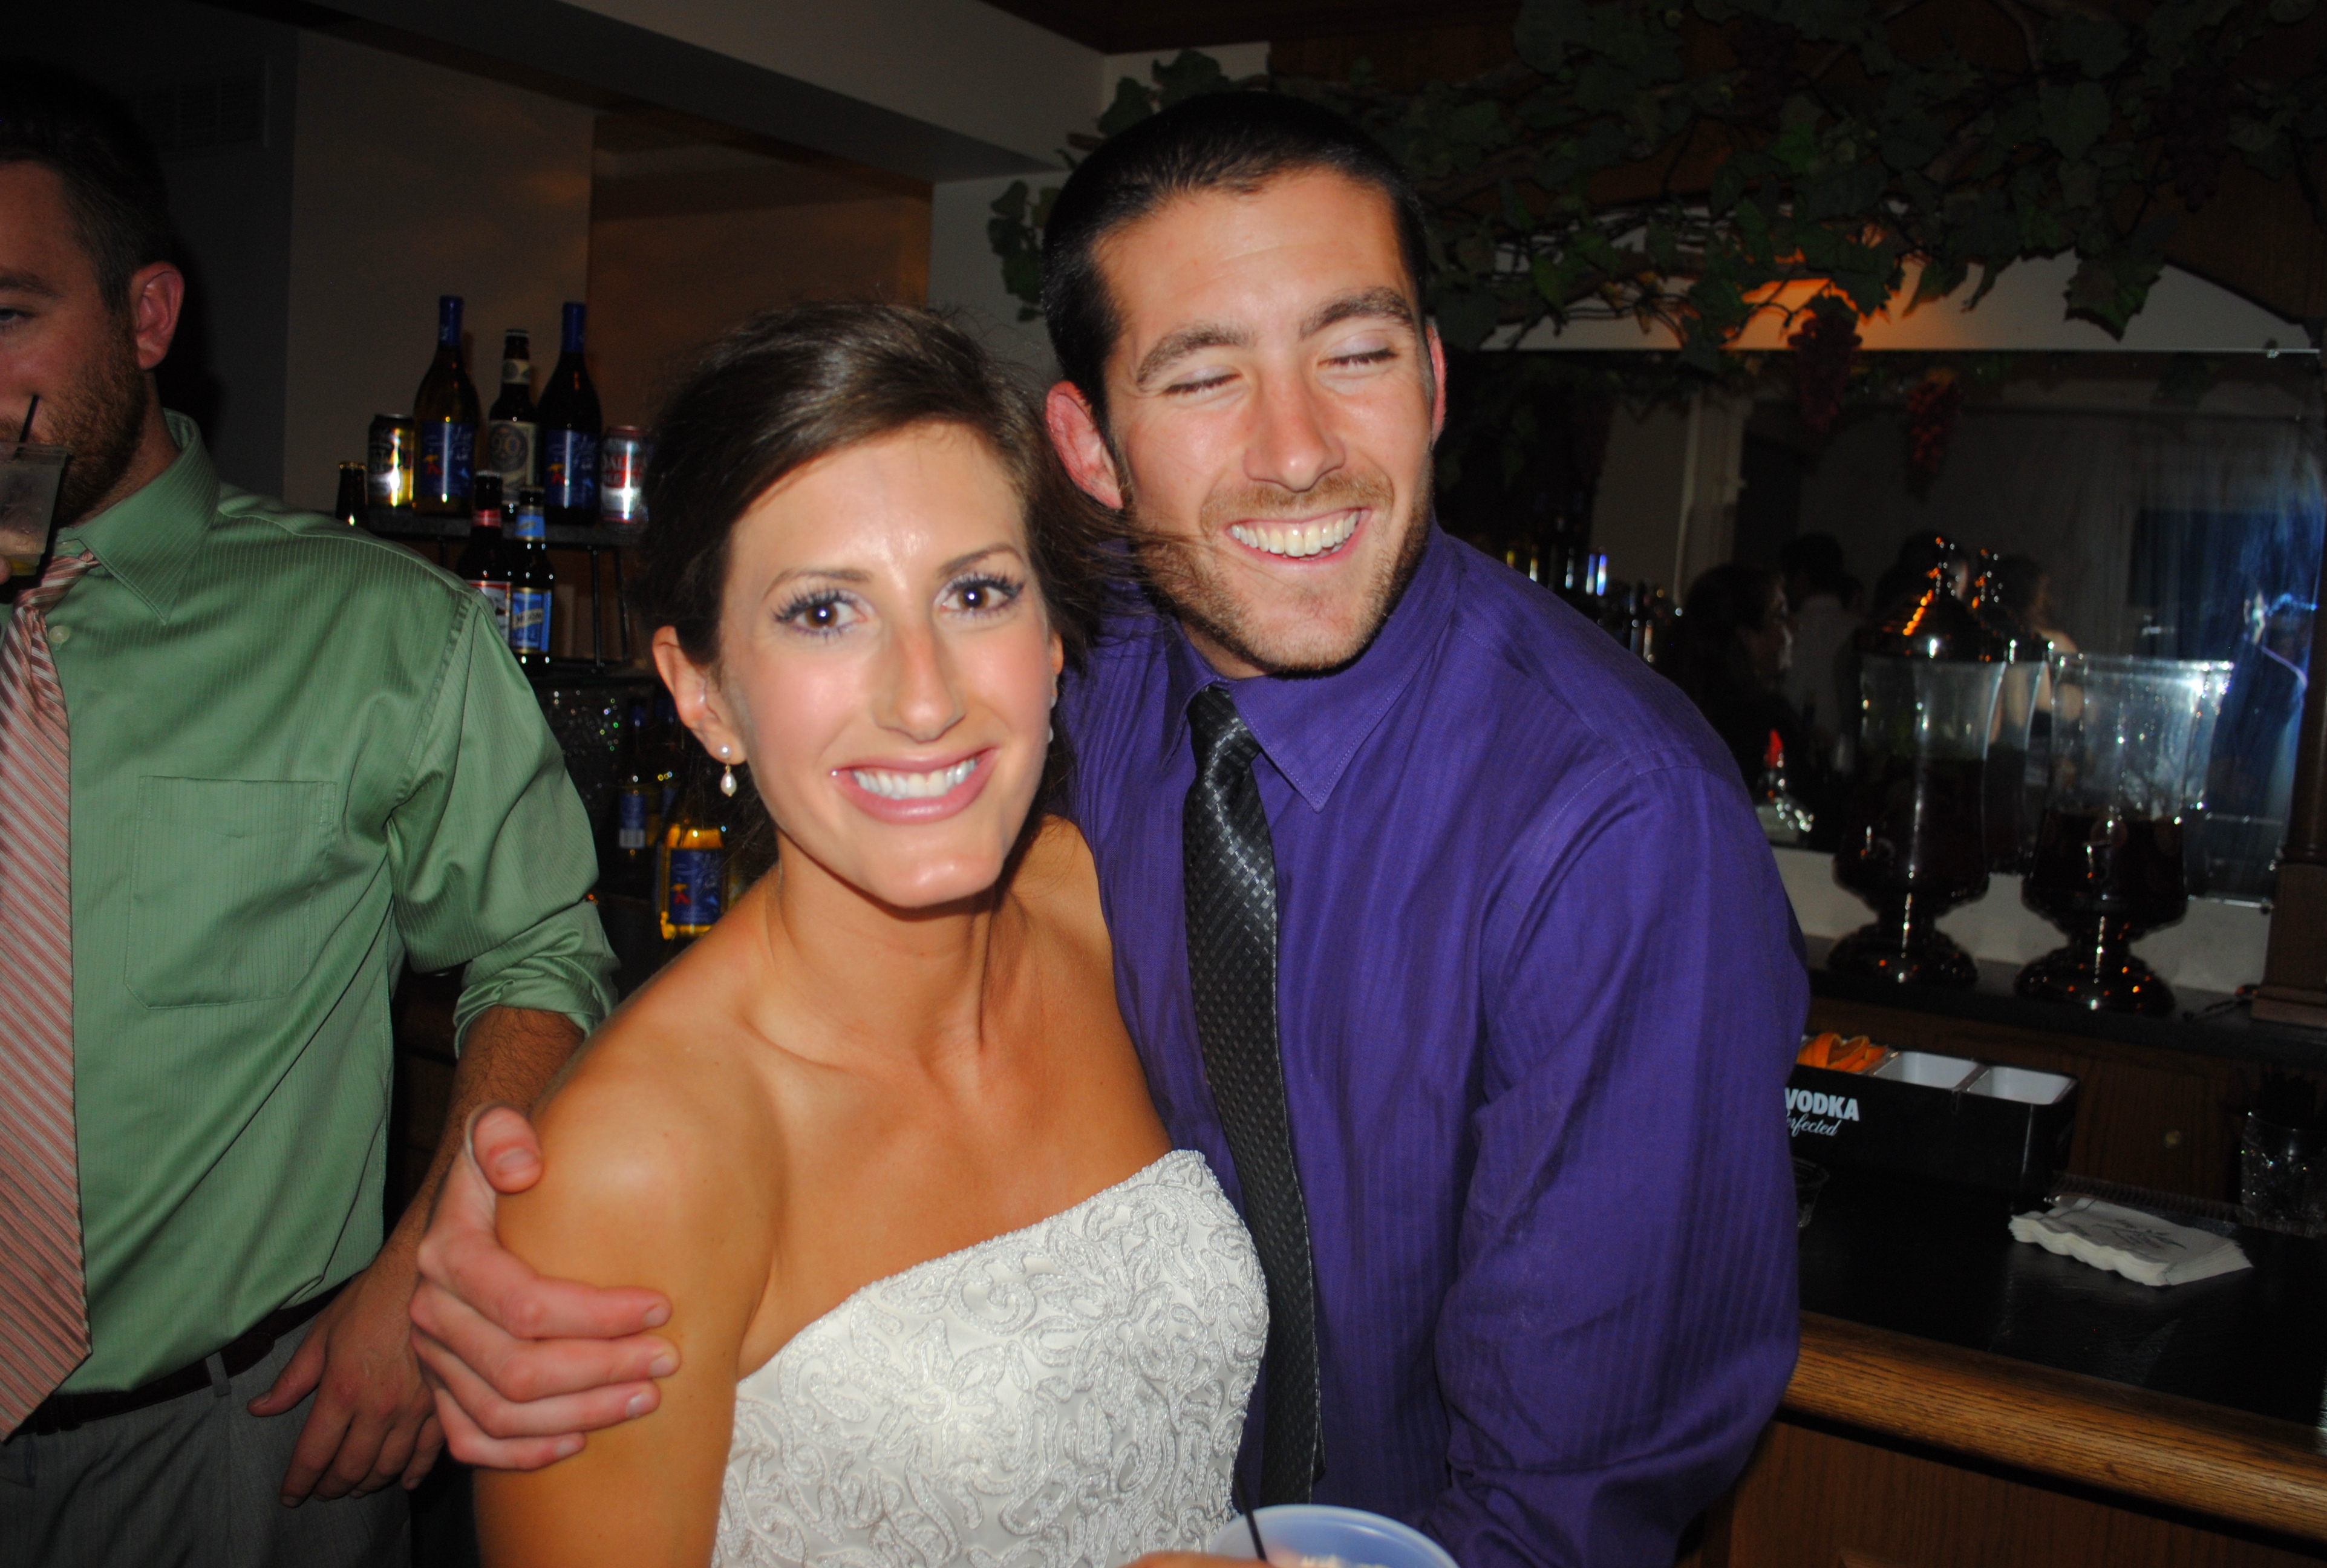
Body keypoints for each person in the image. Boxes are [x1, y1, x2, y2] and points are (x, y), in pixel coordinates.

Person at [412, 91, 1807, 1567]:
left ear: (1434, 377)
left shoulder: (1615, 822)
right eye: (1202, 378)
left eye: (1355, 354)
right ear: (1089, 449)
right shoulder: (1101, 665)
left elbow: (1566, 1510)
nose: (1297, 452)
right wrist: (509, 1202)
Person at [470, 304, 1267, 1567]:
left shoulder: (1097, 904)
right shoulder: (640, 1163)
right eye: (823, 613)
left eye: (975, 593)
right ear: (703, 692)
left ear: (1052, 641)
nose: (925, 696)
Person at [0, 63, 614, 1565]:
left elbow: (542, 953)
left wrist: (433, 1271)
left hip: (223, 1445)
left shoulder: (377, 629)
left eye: (7, 315)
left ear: (147, 317)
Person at [1659, 563, 1815, 803]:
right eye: (1780, 618)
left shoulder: (1667, 705)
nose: (1795, 627)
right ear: (1745, 636)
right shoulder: (1762, 726)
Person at [1778, 532, 1861, 748]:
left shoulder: (1783, 632)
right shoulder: (1861, 632)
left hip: (1789, 749)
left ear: (1801, 579)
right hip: (1846, 756)